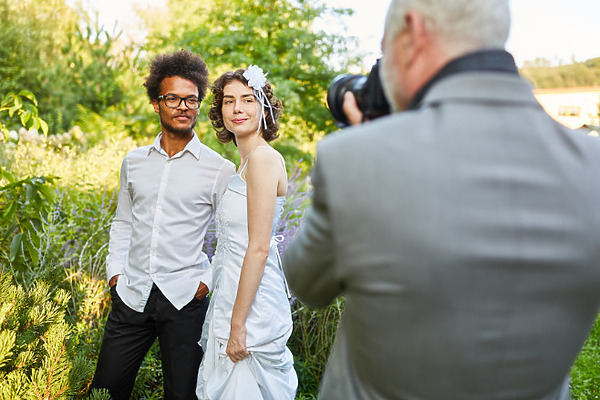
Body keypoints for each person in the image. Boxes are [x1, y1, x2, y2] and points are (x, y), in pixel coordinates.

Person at [283, 0, 600, 399]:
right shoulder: (593, 166)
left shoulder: (355, 158)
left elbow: (306, 283)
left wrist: (368, 137)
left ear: (413, 32)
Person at [90, 50, 236, 400]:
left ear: (199, 104)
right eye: (173, 98)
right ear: (157, 103)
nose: (183, 106)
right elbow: (123, 221)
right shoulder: (134, 161)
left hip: (186, 298)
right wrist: (115, 274)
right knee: (104, 392)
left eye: (191, 99)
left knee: (183, 396)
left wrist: (206, 280)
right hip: (132, 294)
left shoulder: (219, 169)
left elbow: (233, 239)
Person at [195, 66, 297, 399]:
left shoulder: (264, 160)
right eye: (229, 101)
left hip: (252, 310)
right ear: (220, 110)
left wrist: (238, 325)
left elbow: (259, 249)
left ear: (264, 107)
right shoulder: (245, 162)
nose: (237, 108)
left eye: (248, 100)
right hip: (231, 294)